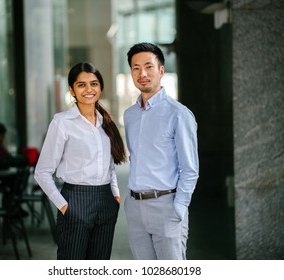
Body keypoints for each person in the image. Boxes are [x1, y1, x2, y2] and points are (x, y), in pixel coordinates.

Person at [34, 62, 126, 260]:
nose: (89, 89)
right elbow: (42, 172)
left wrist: (115, 196)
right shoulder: (62, 122)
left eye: (93, 83)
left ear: (100, 87)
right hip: (75, 200)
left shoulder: (106, 122)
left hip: (105, 202)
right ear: (72, 90)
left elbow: (110, 166)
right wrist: (64, 205)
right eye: (81, 85)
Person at [123, 42, 199, 260]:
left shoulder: (179, 114)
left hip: (166, 206)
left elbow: (190, 168)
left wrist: (178, 208)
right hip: (135, 208)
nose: (142, 73)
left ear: (161, 70)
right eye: (136, 68)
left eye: (148, 66)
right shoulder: (130, 115)